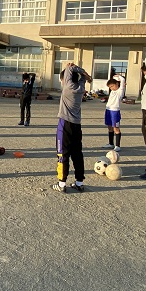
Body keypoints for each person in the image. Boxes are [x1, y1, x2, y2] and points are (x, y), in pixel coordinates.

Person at [53, 63, 92, 193]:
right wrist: (85, 75)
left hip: (65, 124)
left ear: (65, 79)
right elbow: (82, 77)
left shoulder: (68, 87)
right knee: (77, 154)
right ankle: (79, 183)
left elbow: (70, 68)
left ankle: (61, 183)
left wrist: (73, 67)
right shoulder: (80, 87)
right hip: (76, 125)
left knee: (62, 154)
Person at [102, 72, 126, 151]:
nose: (111, 88)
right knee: (110, 127)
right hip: (108, 110)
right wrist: (113, 77)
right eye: (110, 87)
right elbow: (112, 81)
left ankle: (117, 146)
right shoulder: (112, 91)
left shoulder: (120, 91)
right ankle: (111, 143)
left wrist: (119, 76)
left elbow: (122, 80)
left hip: (115, 111)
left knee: (116, 128)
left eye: (112, 86)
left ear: (117, 84)